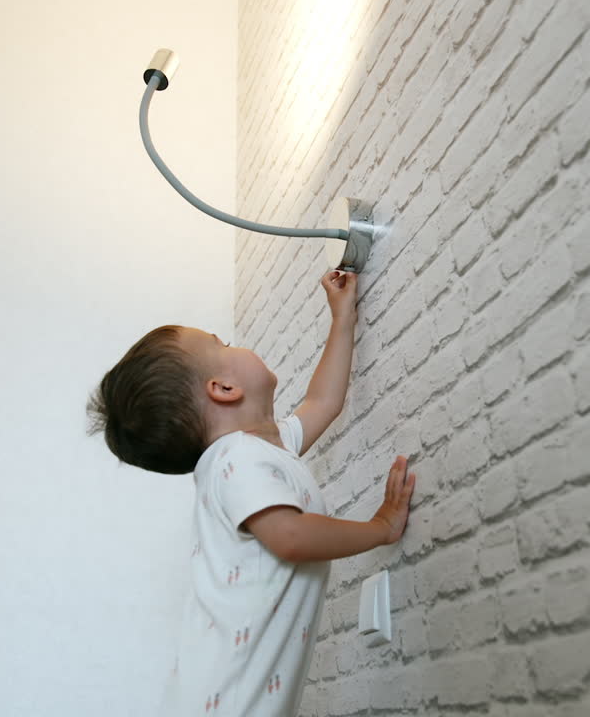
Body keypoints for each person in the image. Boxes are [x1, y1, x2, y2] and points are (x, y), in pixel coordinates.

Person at [86, 269, 415, 716]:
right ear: (224, 388)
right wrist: (379, 527)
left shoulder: (260, 453)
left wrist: (342, 318)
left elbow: (322, 403)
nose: (231, 343)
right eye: (222, 344)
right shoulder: (235, 458)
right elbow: (291, 537)